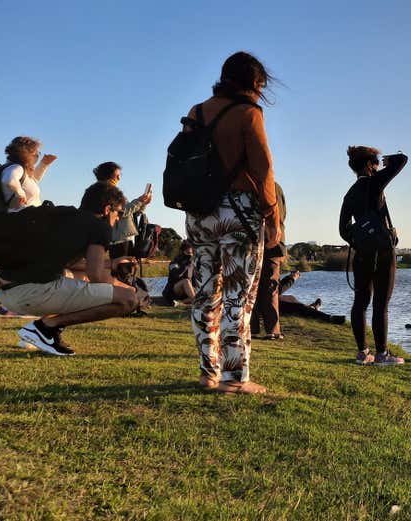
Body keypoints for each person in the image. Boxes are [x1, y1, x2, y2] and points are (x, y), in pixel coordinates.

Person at [183, 51, 281, 394]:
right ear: (253, 83)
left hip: (198, 213)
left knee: (206, 294)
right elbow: (263, 167)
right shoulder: (248, 113)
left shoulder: (196, 112)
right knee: (239, 297)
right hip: (238, 212)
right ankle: (235, 378)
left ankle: (207, 372)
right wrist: (272, 216)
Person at [0, 182, 147, 355]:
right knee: (128, 300)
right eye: (118, 213)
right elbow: (96, 275)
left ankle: (43, 329)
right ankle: (46, 327)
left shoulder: (64, 215)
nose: (118, 218)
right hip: (32, 293)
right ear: (107, 209)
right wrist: (132, 290)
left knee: (79, 276)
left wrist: (110, 264)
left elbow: (69, 264)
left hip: (6, 293)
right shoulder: (100, 227)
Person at [339, 146, 408, 365]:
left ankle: (362, 352)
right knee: (381, 304)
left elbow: (343, 229)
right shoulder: (374, 182)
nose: (378, 167)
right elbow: (402, 160)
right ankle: (382, 354)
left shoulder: (350, 193)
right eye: (376, 163)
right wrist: (390, 160)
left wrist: (359, 241)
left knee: (360, 302)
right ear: (369, 165)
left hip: (362, 255)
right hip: (384, 253)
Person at [93, 161, 152, 259]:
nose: (119, 178)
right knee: (122, 270)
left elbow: (133, 213)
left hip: (123, 238)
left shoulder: (109, 190)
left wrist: (143, 203)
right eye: (117, 175)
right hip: (118, 240)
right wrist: (139, 201)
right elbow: (121, 212)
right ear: (109, 175)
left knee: (126, 269)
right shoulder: (106, 191)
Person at [252, 182, 286, 339]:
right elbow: (282, 213)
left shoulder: (251, 184)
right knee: (270, 285)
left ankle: (252, 326)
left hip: (261, 239)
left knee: (252, 283)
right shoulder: (274, 186)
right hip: (273, 240)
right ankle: (272, 329)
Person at [0, 136, 57, 212]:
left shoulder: (15, 168)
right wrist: (20, 192)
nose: (37, 156)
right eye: (36, 153)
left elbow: (32, 181)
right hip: (22, 219)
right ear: (25, 153)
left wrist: (44, 164)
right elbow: (8, 180)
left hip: (28, 218)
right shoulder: (17, 167)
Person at [162, 240, 195, 305]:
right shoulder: (174, 262)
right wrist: (186, 265)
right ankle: (196, 301)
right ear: (182, 252)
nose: (190, 255)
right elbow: (177, 275)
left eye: (191, 253)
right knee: (186, 281)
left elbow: (194, 279)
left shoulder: (192, 264)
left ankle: (180, 303)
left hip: (187, 290)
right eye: (188, 253)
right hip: (174, 290)